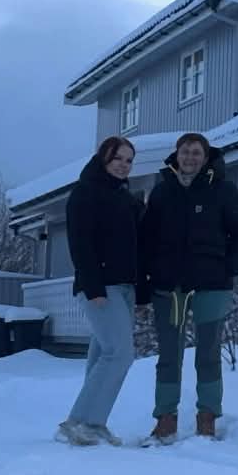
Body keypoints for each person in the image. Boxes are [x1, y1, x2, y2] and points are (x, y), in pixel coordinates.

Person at [138, 132, 238, 441]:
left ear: (206, 158)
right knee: (169, 353)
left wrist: (228, 268)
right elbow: (147, 239)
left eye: (196, 153)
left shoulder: (223, 190)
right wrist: (150, 273)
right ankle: (166, 417)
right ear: (176, 156)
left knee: (208, 352)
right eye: (185, 152)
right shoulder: (163, 192)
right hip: (170, 288)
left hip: (211, 286)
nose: (190, 157)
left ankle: (207, 416)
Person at [56, 136, 148, 446]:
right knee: (120, 354)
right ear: (103, 159)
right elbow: (80, 244)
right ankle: (78, 420)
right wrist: (93, 286)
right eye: (118, 158)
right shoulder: (85, 194)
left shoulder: (126, 198)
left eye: (128, 160)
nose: (123, 165)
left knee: (102, 355)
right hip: (100, 287)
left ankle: (94, 423)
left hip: (124, 287)